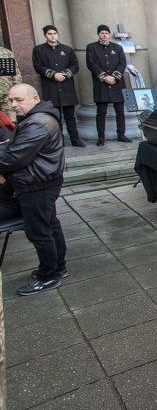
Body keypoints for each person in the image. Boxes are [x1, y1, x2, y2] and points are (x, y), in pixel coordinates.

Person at [0, 84, 68, 295]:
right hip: (40, 181)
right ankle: (58, 267)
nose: (14, 105)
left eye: (19, 100)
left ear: (34, 98)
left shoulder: (37, 123)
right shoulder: (36, 118)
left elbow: (14, 157)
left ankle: (48, 277)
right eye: (11, 100)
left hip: (36, 184)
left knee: (39, 231)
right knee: (49, 224)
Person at [31, 25, 85, 147]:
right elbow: (38, 66)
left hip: (67, 88)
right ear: (45, 35)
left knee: (70, 116)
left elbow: (75, 65)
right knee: (55, 117)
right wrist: (53, 74)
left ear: (57, 34)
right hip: (51, 88)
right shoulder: (39, 50)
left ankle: (75, 139)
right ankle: (58, 140)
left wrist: (64, 74)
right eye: (49, 34)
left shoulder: (67, 49)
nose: (52, 35)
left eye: (54, 33)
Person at [86, 25, 131, 146]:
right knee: (101, 112)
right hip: (101, 84)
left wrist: (114, 76)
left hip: (116, 83)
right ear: (98, 34)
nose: (105, 35)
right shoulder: (91, 47)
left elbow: (122, 62)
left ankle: (121, 134)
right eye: (102, 33)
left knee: (120, 111)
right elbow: (91, 64)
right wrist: (104, 77)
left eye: (106, 33)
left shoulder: (117, 47)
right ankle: (101, 137)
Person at [0, 47, 24, 122]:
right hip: (7, 91)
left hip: (7, 93)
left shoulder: (6, 52)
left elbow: (16, 73)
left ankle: (12, 133)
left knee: (11, 119)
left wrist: (17, 88)